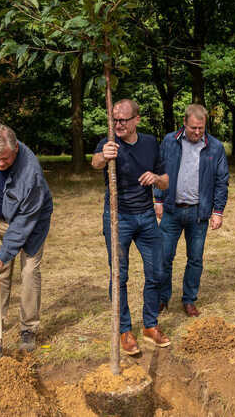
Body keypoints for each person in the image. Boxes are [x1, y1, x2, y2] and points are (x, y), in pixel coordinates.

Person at [92, 99, 171, 355]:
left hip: (147, 216)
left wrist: (156, 178)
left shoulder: (149, 143)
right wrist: (104, 156)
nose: (118, 124)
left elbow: (166, 182)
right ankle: (125, 331)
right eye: (115, 120)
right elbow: (95, 163)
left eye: (124, 120)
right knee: (119, 275)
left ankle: (150, 326)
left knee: (157, 272)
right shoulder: (109, 142)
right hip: (118, 218)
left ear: (137, 119)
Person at [0, 124, 53, 352]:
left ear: (15, 148)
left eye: (4, 159)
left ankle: (28, 328)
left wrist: (5, 252)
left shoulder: (31, 174)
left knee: (29, 272)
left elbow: (22, 224)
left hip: (31, 222)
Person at [154, 104, 229, 317]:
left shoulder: (215, 147)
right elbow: (159, 170)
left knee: (195, 259)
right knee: (164, 257)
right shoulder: (169, 141)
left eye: (201, 128)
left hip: (199, 213)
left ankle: (189, 299)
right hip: (171, 210)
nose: (197, 132)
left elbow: (222, 180)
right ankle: (162, 298)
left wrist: (218, 211)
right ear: (184, 123)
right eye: (193, 128)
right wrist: (157, 199)